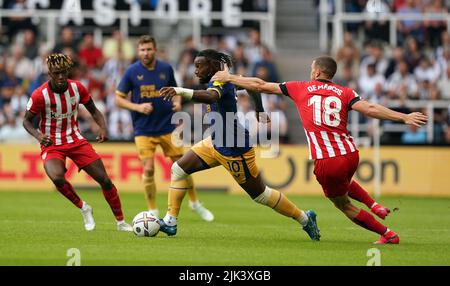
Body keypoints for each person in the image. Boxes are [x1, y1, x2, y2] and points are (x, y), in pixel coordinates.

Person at [211, 56, 428, 244]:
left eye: (311, 68)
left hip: (328, 159)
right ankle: (375, 205)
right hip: (351, 154)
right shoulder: (345, 92)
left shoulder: (300, 87)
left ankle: (388, 235)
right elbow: (370, 109)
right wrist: (404, 116)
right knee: (344, 183)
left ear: (316, 71)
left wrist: (230, 78)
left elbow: (259, 85)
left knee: (343, 205)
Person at [158, 49, 320, 240]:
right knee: (178, 169)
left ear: (213, 66)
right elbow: (251, 87)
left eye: (199, 66)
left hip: (235, 148)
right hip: (216, 141)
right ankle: (170, 221)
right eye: (195, 66)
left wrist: (179, 91)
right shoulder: (224, 78)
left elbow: (212, 97)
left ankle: (304, 218)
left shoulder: (220, 80)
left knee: (260, 195)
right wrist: (259, 110)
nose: (196, 71)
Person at [22, 53, 133, 232]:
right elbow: (26, 121)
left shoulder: (77, 88)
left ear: (68, 71)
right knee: (57, 178)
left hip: (76, 139)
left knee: (105, 180)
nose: (61, 77)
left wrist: (102, 127)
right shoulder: (39, 95)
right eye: (56, 73)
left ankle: (120, 222)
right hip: (52, 143)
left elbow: (94, 111)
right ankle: (84, 208)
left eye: (64, 72)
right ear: (50, 73)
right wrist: (39, 136)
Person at [115, 35, 214, 221]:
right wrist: (137, 107)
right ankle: (152, 210)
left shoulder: (165, 69)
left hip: (167, 127)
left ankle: (195, 203)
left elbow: (175, 91)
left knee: (184, 166)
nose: (145, 53)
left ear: (155, 50)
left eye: (149, 49)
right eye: (142, 50)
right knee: (149, 169)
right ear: (138, 51)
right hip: (143, 129)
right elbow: (118, 99)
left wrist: (177, 103)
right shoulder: (131, 72)